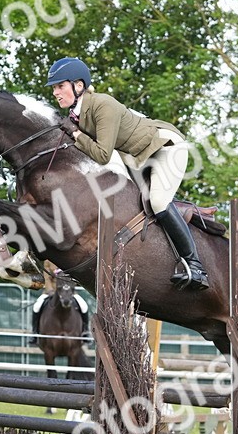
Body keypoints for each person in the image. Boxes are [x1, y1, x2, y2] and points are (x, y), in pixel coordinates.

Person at [46, 56, 209, 291]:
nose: (56, 92)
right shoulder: (77, 114)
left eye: (60, 86)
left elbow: (102, 153)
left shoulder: (103, 105)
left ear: (78, 85)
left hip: (165, 148)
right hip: (135, 155)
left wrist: (77, 136)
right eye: (54, 88)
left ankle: (196, 267)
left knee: (158, 201)